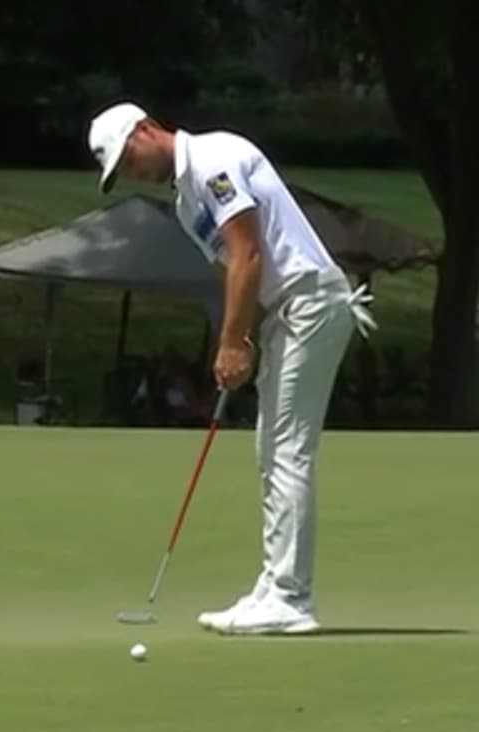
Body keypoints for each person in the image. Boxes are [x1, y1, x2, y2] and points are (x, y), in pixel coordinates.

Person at [86, 101, 376, 635]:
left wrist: (233, 341)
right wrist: (240, 338)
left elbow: (248, 254)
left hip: (309, 302)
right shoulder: (185, 203)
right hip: (283, 314)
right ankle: (274, 586)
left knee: (287, 450)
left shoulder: (214, 158)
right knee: (272, 450)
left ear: (145, 129)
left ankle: (291, 597)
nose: (133, 175)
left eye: (128, 160)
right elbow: (231, 270)